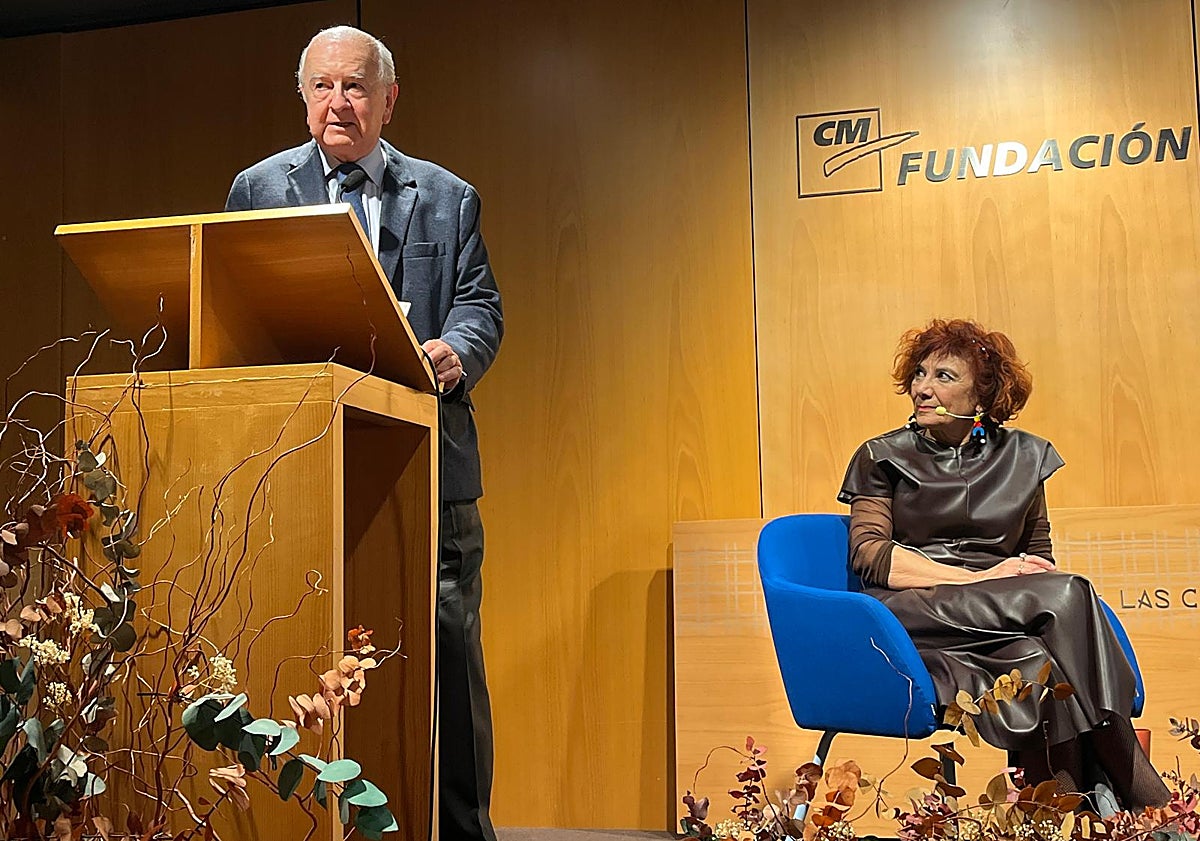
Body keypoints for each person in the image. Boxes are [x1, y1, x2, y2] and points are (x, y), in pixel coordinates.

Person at [225, 26, 503, 841]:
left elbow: (481, 305)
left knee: (449, 657)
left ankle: (462, 828)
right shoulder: (258, 188)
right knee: (296, 645)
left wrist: (459, 348)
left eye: (355, 87)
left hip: (430, 469)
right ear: (302, 96)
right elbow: (236, 305)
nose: (337, 103)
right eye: (322, 87)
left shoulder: (447, 196)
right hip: (300, 464)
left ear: (389, 98)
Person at [837, 319, 1169, 811]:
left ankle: (1053, 813)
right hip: (914, 606)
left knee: (1040, 664)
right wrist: (977, 578)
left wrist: (1009, 581)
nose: (923, 389)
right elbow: (870, 556)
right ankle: (1139, 789)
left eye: (944, 377)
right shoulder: (881, 456)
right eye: (920, 374)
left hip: (999, 615)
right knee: (1070, 591)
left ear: (984, 395)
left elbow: (1038, 557)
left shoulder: (1027, 456)